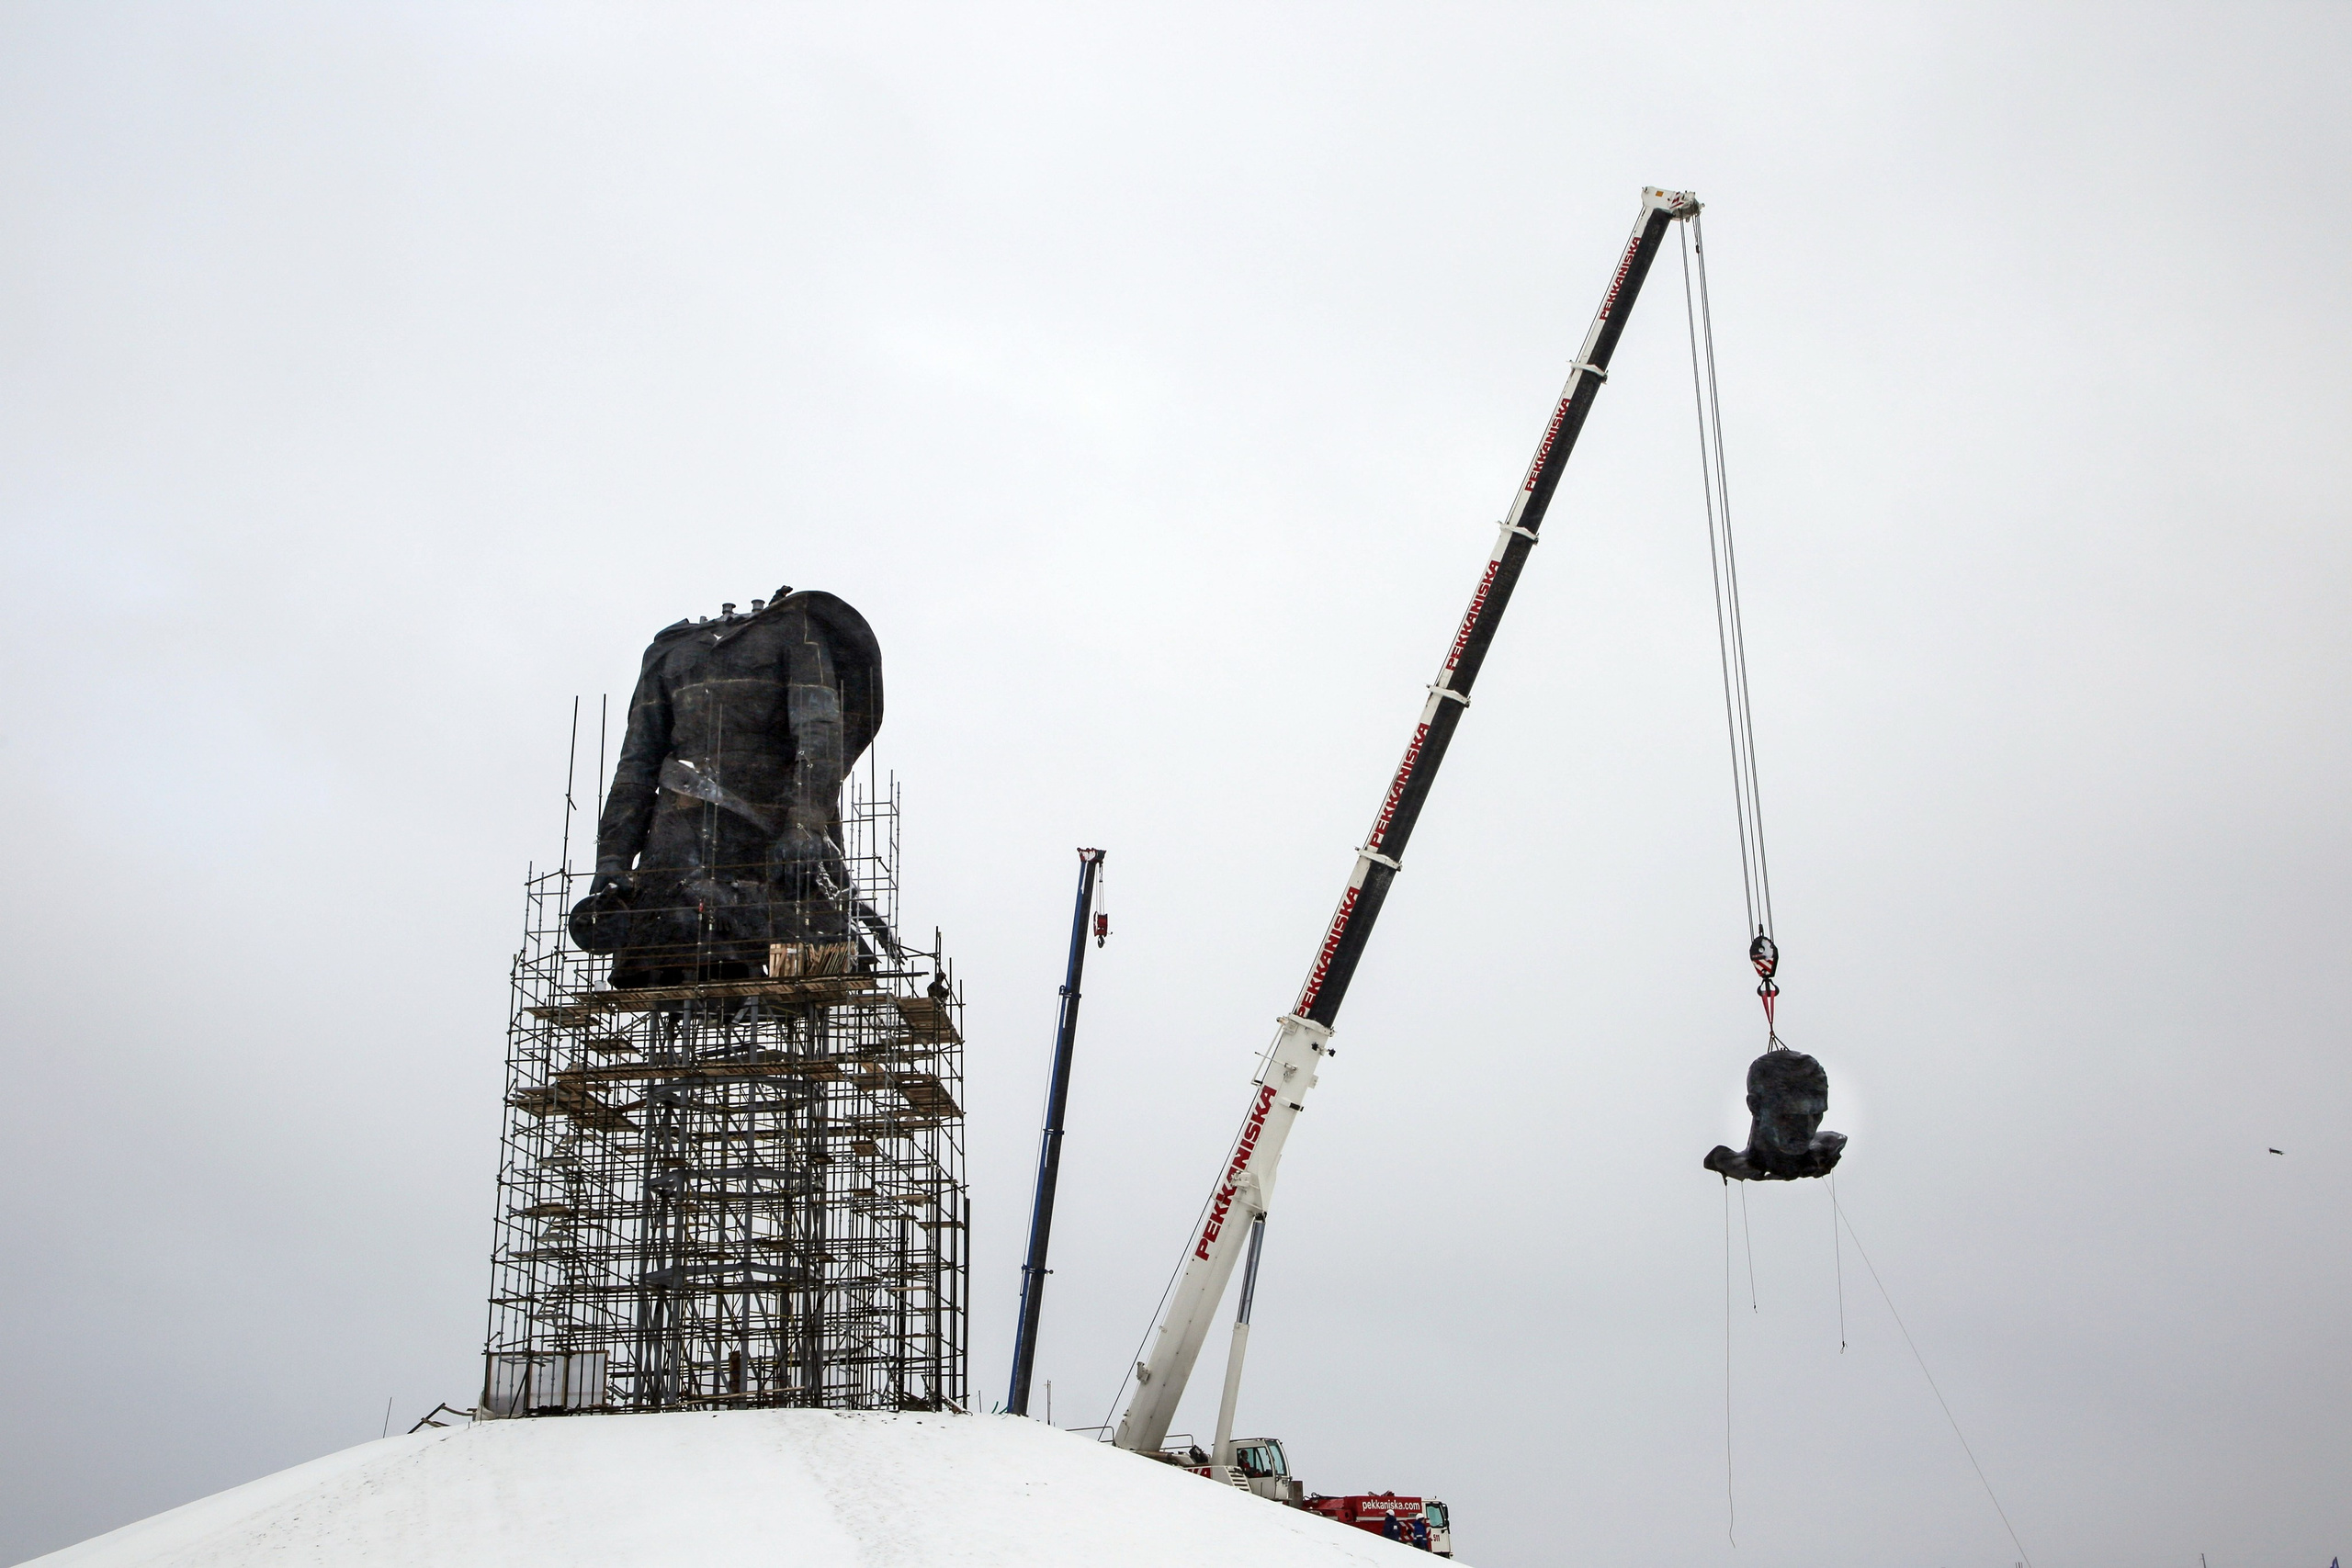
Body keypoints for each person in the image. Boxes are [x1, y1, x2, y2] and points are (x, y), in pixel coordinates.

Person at [570, 588, 887, 987]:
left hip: (770, 834)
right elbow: (637, 765)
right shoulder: (667, 652)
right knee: (675, 974)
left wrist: (803, 824)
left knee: (800, 974)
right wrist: (612, 858)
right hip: (678, 845)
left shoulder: (793, 630)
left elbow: (819, 733)